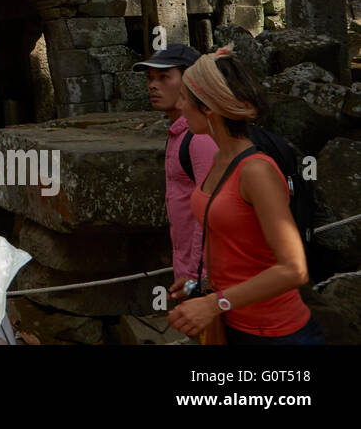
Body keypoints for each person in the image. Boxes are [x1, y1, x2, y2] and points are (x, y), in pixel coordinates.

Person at [167, 48, 325, 344]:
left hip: (277, 333)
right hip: (235, 323)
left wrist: (212, 304)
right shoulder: (218, 160)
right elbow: (234, 241)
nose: (179, 105)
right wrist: (202, 284)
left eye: (185, 98)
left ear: (208, 108)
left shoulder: (256, 171)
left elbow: (294, 269)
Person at [133, 44, 216, 286]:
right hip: (190, 273)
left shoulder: (200, 138)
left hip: (208, 280)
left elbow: (210, 215)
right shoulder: (179, 132)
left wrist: (197, 280)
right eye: (150, 78)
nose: (152, 85)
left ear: (190, 81)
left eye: (163, 77)